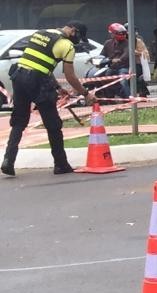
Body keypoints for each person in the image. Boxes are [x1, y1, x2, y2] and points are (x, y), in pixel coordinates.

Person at [1, 21, 95, 176]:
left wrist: (58, 88)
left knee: (19, 121)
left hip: (19, 76)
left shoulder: (40, 34)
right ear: (74, 31)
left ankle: (8, 161)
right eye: (78, 37)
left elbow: (40, 63)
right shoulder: (67, 46)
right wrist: (86, 94)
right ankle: (60, 164)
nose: (77, 41)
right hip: (38, 82)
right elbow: (70, 76)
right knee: (53, 124)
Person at [101, 22, 131, 98]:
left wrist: (119, 59)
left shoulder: (127, 43)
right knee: (104, 78)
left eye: (122, 33)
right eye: (119, 33)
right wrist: (96, 59)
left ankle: (129, 98)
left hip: (124, 67)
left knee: (123, 81)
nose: (121, 35)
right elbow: (102, 55)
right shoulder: (107, 43)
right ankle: (109, 97)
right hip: (112, 67)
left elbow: (126, 54)